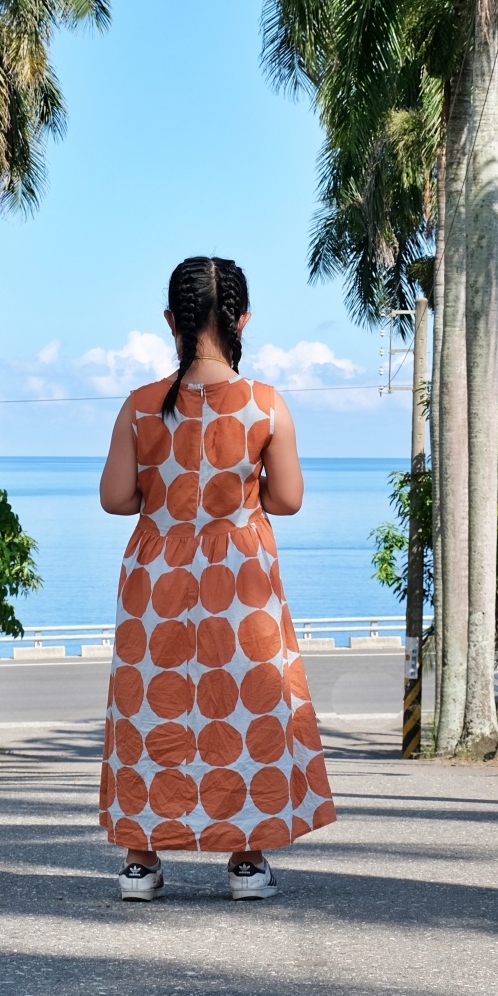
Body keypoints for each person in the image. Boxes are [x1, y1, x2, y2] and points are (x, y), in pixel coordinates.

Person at [98, 256, 337, 902]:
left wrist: (167, 498)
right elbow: (286, 500)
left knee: (156, 708)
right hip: (240, 580)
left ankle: (140, 861)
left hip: (157, 583)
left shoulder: (142, 407)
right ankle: (246, 860)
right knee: (247, 705)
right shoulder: (265, 405)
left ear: (171, 321)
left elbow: (116, 497)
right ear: (242, 319)